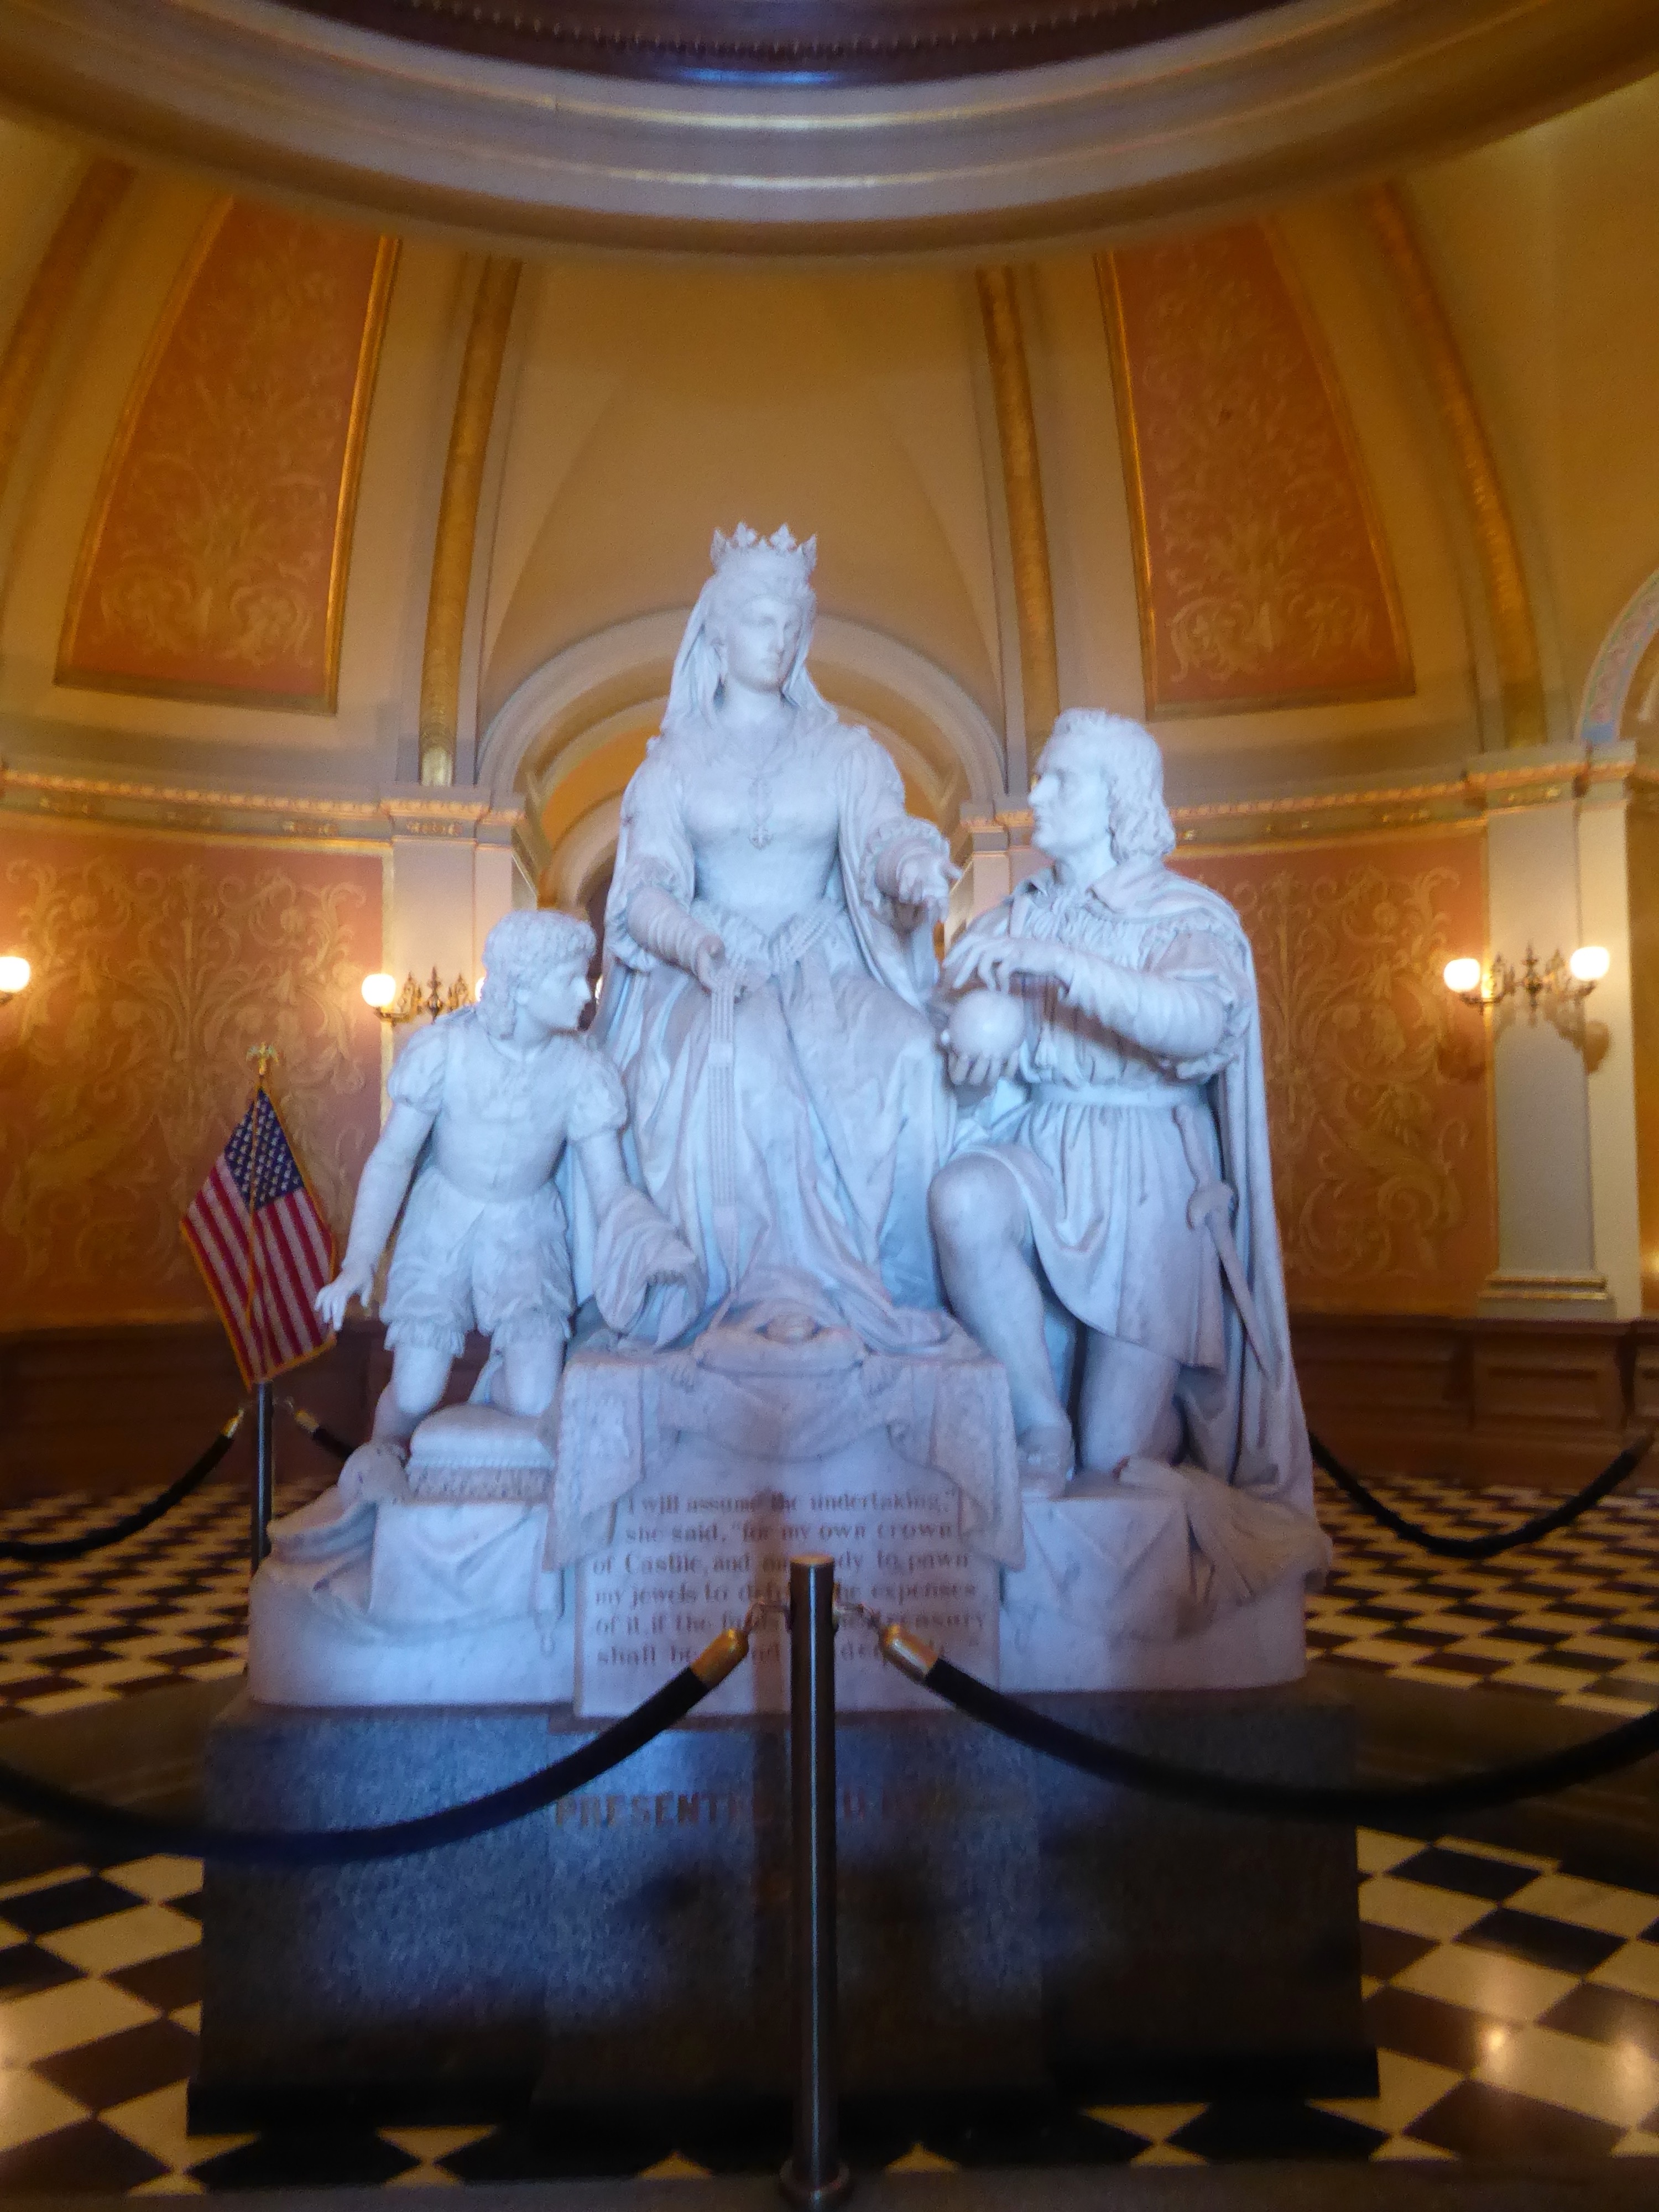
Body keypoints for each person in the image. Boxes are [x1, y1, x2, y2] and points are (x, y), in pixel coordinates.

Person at [931, 710, 1310, 1511]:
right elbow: (950, 1062)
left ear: (1119, 799)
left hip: (1146, 1172)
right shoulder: (1014, 917)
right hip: (1042, 1143)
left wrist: (1061, 964)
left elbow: (1199, 1025)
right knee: (961, 1198)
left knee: (1114, 1459)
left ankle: (1168, 1435)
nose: (1038, 793)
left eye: (1060, 779)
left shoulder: (1182, 913)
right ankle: (1039, 1425)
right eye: (1041, 776)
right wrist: (967, 1069)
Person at [594, 524, 957, 1348]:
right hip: (708, 968)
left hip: (824, 962)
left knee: (912, 1052)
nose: (780, 639)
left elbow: (879, 837)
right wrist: (695, 944)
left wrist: (910, 866)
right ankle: (767, 1286)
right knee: (748, 1053)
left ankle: (899, 1285)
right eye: (762, 620)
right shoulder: (671, 765)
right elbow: (644, 889)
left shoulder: (846, 752)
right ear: (717, 631)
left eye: (794, 624)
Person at [315, 909, 699, 1442]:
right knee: (415, 1393)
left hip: (527, 1230)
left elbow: (609, 1189)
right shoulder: (447, 1050)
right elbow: (393, 1158)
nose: (585, 994)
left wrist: (649, 1244)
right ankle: (378, 1456)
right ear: (521, 987)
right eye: (569, 979)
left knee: (535, 1398)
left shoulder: (583, 1071)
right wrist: (359, 1261)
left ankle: (487, 1396)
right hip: (442, 1223)